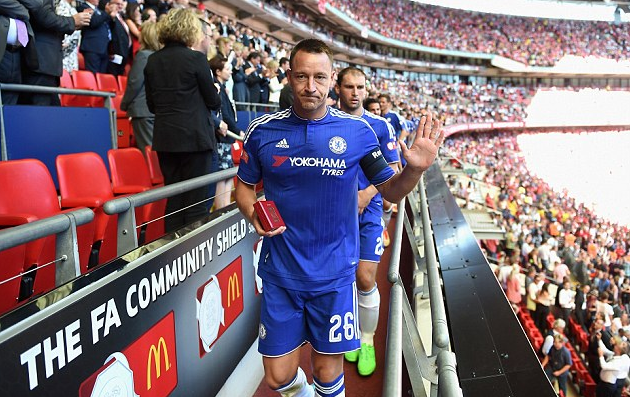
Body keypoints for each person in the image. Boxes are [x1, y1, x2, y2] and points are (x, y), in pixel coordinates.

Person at [235, 38, 444, 397]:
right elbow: (243, 186)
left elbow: (391, 191)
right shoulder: (262, 131)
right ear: (288, 77)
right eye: (301, 76)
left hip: (333, 274)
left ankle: (360, 347)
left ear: (331, 78)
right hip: (281, 272)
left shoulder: (358, 132)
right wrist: (253, 210)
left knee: (326, 371)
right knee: (277, 377)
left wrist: (414, 171)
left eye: (319, 77)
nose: (310, 87)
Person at [334, 66, 399, 376]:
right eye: (349, 86)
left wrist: (365, 194)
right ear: (339, 89)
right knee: (340, 276)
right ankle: (348, 330)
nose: (356, 92)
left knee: (365, 277)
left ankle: (367, 339)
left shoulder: (380, 126)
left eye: (360, 86)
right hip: (332, 211)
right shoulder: (325, 121)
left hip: (369, 210)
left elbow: (393, 168)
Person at [144, 8, 220, 232]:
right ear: (191, 30)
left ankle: (172, 252)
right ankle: (193, 259)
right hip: (195, 139)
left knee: (174, 201)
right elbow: (214, 102)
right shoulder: (196, 58)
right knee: (196, 202)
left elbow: (151, 105)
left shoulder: (153, 60)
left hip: (166, 140)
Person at [20, 0, 91, 105]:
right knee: (40, 113)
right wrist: (72, 21)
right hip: (39, 63)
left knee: (52, 112)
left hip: (48, 65)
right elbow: (43, 15)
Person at [120, 21, 160, 155]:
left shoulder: (144, 56)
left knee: (149, 152)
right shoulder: (160, 57)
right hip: (155, 110)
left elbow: (134, 83)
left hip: (143, 112)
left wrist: (124, 104)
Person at [208, 55, 242, 210]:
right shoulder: (216, 89)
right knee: (223, 174)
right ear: (218, 72)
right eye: (227, 69)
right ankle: (221, 209)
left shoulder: (223, 89)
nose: (230, 72)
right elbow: (225, 115)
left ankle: (225, 206)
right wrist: (237, 130)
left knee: (228, 174)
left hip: (226, 138)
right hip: (221, 139)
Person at [0, 0, 40, 105]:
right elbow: (23, 12)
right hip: (3, 51)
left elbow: (36, 4)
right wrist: (22, 9)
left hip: (18, 52)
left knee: (12, 94)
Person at [77, 0, 114, 74]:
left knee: (101, 77)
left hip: (103, 48)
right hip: (92, 47)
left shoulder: (99, 10)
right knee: (92, 75)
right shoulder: (83, 7)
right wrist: (106, 13)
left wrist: (111, 16)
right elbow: (93, 22)